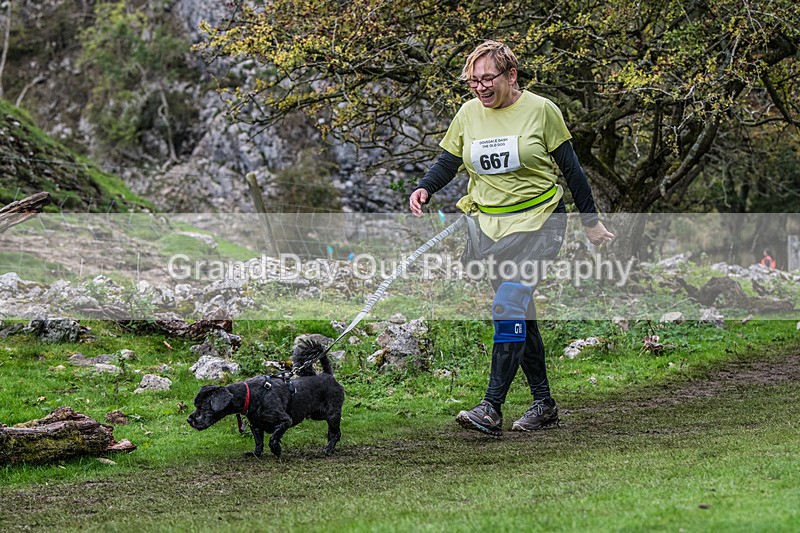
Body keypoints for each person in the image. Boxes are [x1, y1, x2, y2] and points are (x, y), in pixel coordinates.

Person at [409, 40, 614, 436]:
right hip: (490, 230)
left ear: (511, 75)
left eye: (488, 79)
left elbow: (573, 171)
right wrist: (425, 188)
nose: (481, 88)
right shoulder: (469, 114)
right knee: (520, 315)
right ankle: (544, 405)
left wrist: (590, 223)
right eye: (473, 81)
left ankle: (491, 407)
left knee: (508, 304)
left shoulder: (541, 111)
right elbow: (449, 162)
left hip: (542, 223)